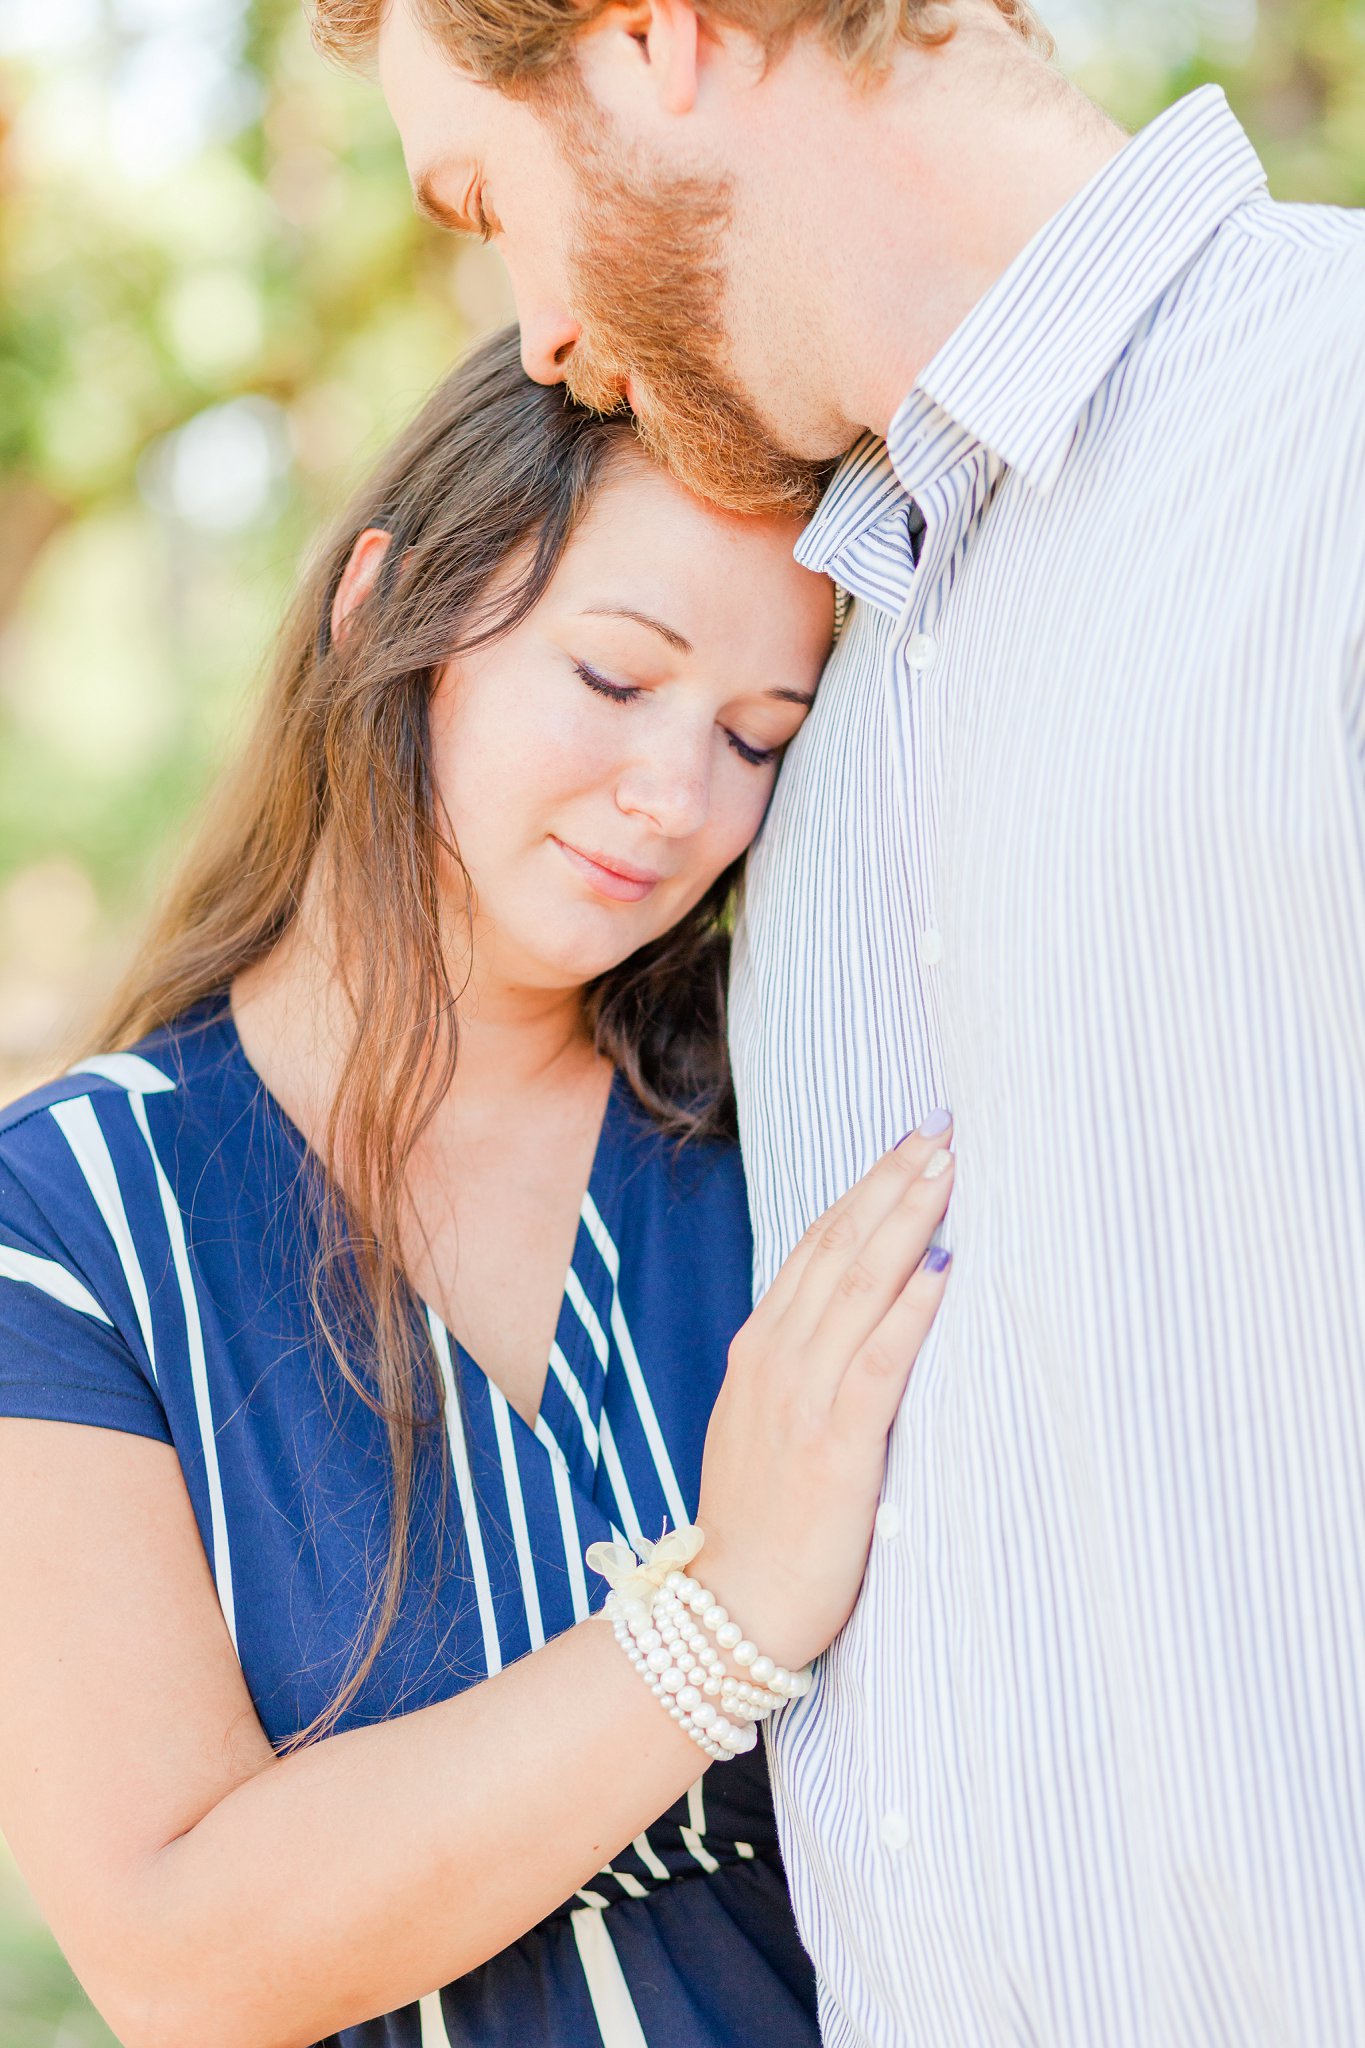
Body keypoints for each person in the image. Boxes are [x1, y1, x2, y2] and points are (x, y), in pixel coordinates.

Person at [328, 0, 1365, 2040]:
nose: (530, 326)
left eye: (486, 199)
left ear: (651, 39)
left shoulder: (1330, 438)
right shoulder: (810, 699)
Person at [0, 330, 959, 2048]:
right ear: (389, 609)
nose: (676, 797)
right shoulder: (70, 1223)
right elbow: (177, 1957)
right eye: (613, 677)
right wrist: (725, 1613)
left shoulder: (788, 1135)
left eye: (758, 738)